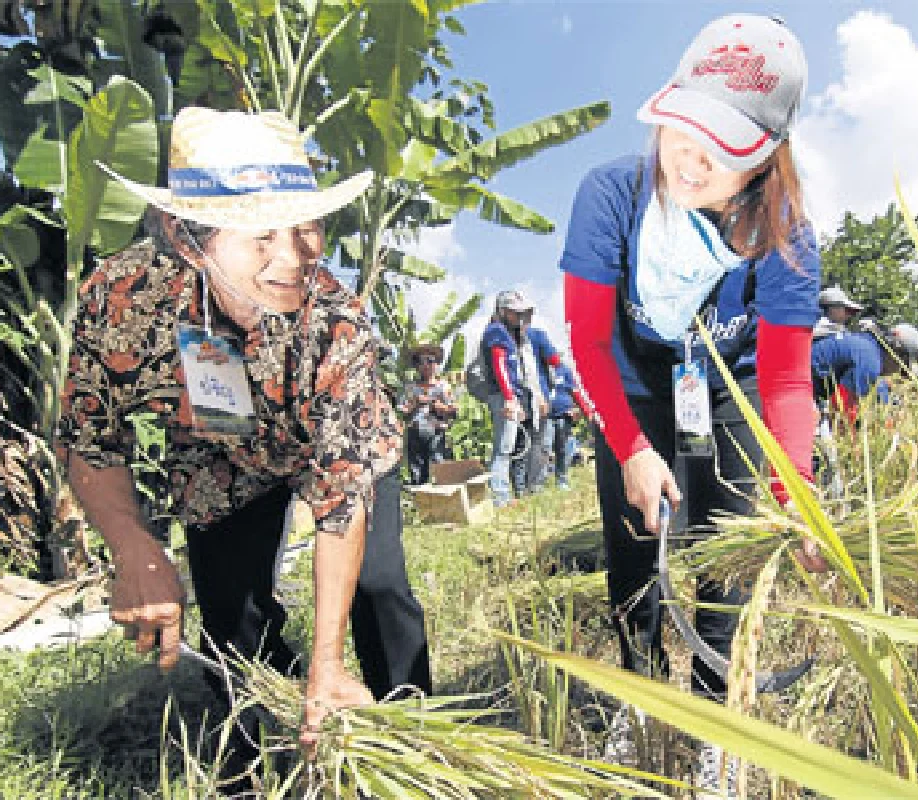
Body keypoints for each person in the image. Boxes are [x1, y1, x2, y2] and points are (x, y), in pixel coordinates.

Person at [56, 108, 431, 784]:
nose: (293, 259)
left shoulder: (335, 320)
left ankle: (410, 737)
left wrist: (328, 659)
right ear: (188, 238)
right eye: (261, 236)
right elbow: (91, 439)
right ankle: (266, 763)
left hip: (339, 449)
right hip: (218, 457)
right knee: (233, 621)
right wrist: (135, 547)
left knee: (378, 588)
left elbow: (342, 499)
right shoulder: (120, 302)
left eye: (307, 227)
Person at [558, 13, 827, 791]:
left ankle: (716, 715)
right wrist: (633, 450)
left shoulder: (785, 237)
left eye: (727, 146)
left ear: (768, 156)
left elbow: (782, 380)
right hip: (634, 381)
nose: (694, 160)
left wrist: (795, 493)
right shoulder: (611, 195)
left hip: (727, 385)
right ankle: (637, 698)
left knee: (722, 549)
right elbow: (588, 341)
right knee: (632, 552)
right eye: (685, 129)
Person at [480, 290, 562, 506]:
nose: (521, 317)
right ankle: (500, 496)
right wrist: (509, 398)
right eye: (517, 313)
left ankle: (508, 494)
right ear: (505, 311)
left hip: (513, 396)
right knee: (503, 449)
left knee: (514, 447)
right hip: (502, 396)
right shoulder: (496, 331)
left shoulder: (514, 335)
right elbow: (500, 367)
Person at [400, 343, 456, 486]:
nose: (425, 365)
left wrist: (439, 406)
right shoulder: (410, 388)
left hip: (436, 431)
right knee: (417, 468)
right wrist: (415, 403)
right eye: (420, 361)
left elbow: (453, 411)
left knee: (438, 463)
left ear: (436, 363)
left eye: (430, 360)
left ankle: (442, 498)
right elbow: (402, 412)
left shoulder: (443, 387)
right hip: (416, 431)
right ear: (416, 365)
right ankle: (420, 500)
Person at [544, 360, 591, 490]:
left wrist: (586, 411)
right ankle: (539, 482)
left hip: (563, 415)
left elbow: (575, 392)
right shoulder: (537, 368)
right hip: (544, 416)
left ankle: (561, 480)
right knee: (544, 447)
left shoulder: (564, 370)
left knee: (562, 449)